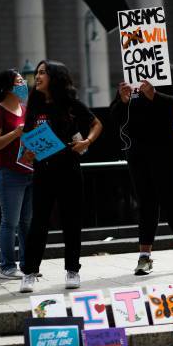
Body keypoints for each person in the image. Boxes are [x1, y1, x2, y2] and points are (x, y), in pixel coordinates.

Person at [110, 65, 173, 275]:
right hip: (137, 149)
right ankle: (144, 256)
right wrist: (122, 102)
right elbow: (115, 116)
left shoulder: (169, 72)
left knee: (172, 199)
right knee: (145, 201)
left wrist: (155, 95)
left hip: (168, 146)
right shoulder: (129, 75)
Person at [19, 60, 102, 293]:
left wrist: (87, 141)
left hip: (69, 169)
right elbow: (26, 136)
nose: (38, 76)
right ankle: (29, 272)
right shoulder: (33, 106)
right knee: (39, 223)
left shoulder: (71, 104)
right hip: (42, 170)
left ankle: (72, 270)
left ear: (55, 77)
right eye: (37, 72)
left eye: (43, 72)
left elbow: (97, 124)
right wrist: (27, 152)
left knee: (71, 221)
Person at [0, 69, 33, 279]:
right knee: (10, 221)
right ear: (7, 88)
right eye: (19, 81)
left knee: (27, 222)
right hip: (8, 174)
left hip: (29, 171)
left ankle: (27, 264)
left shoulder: (24, 109)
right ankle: (7, 267)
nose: (23, 84)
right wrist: (14, 133)